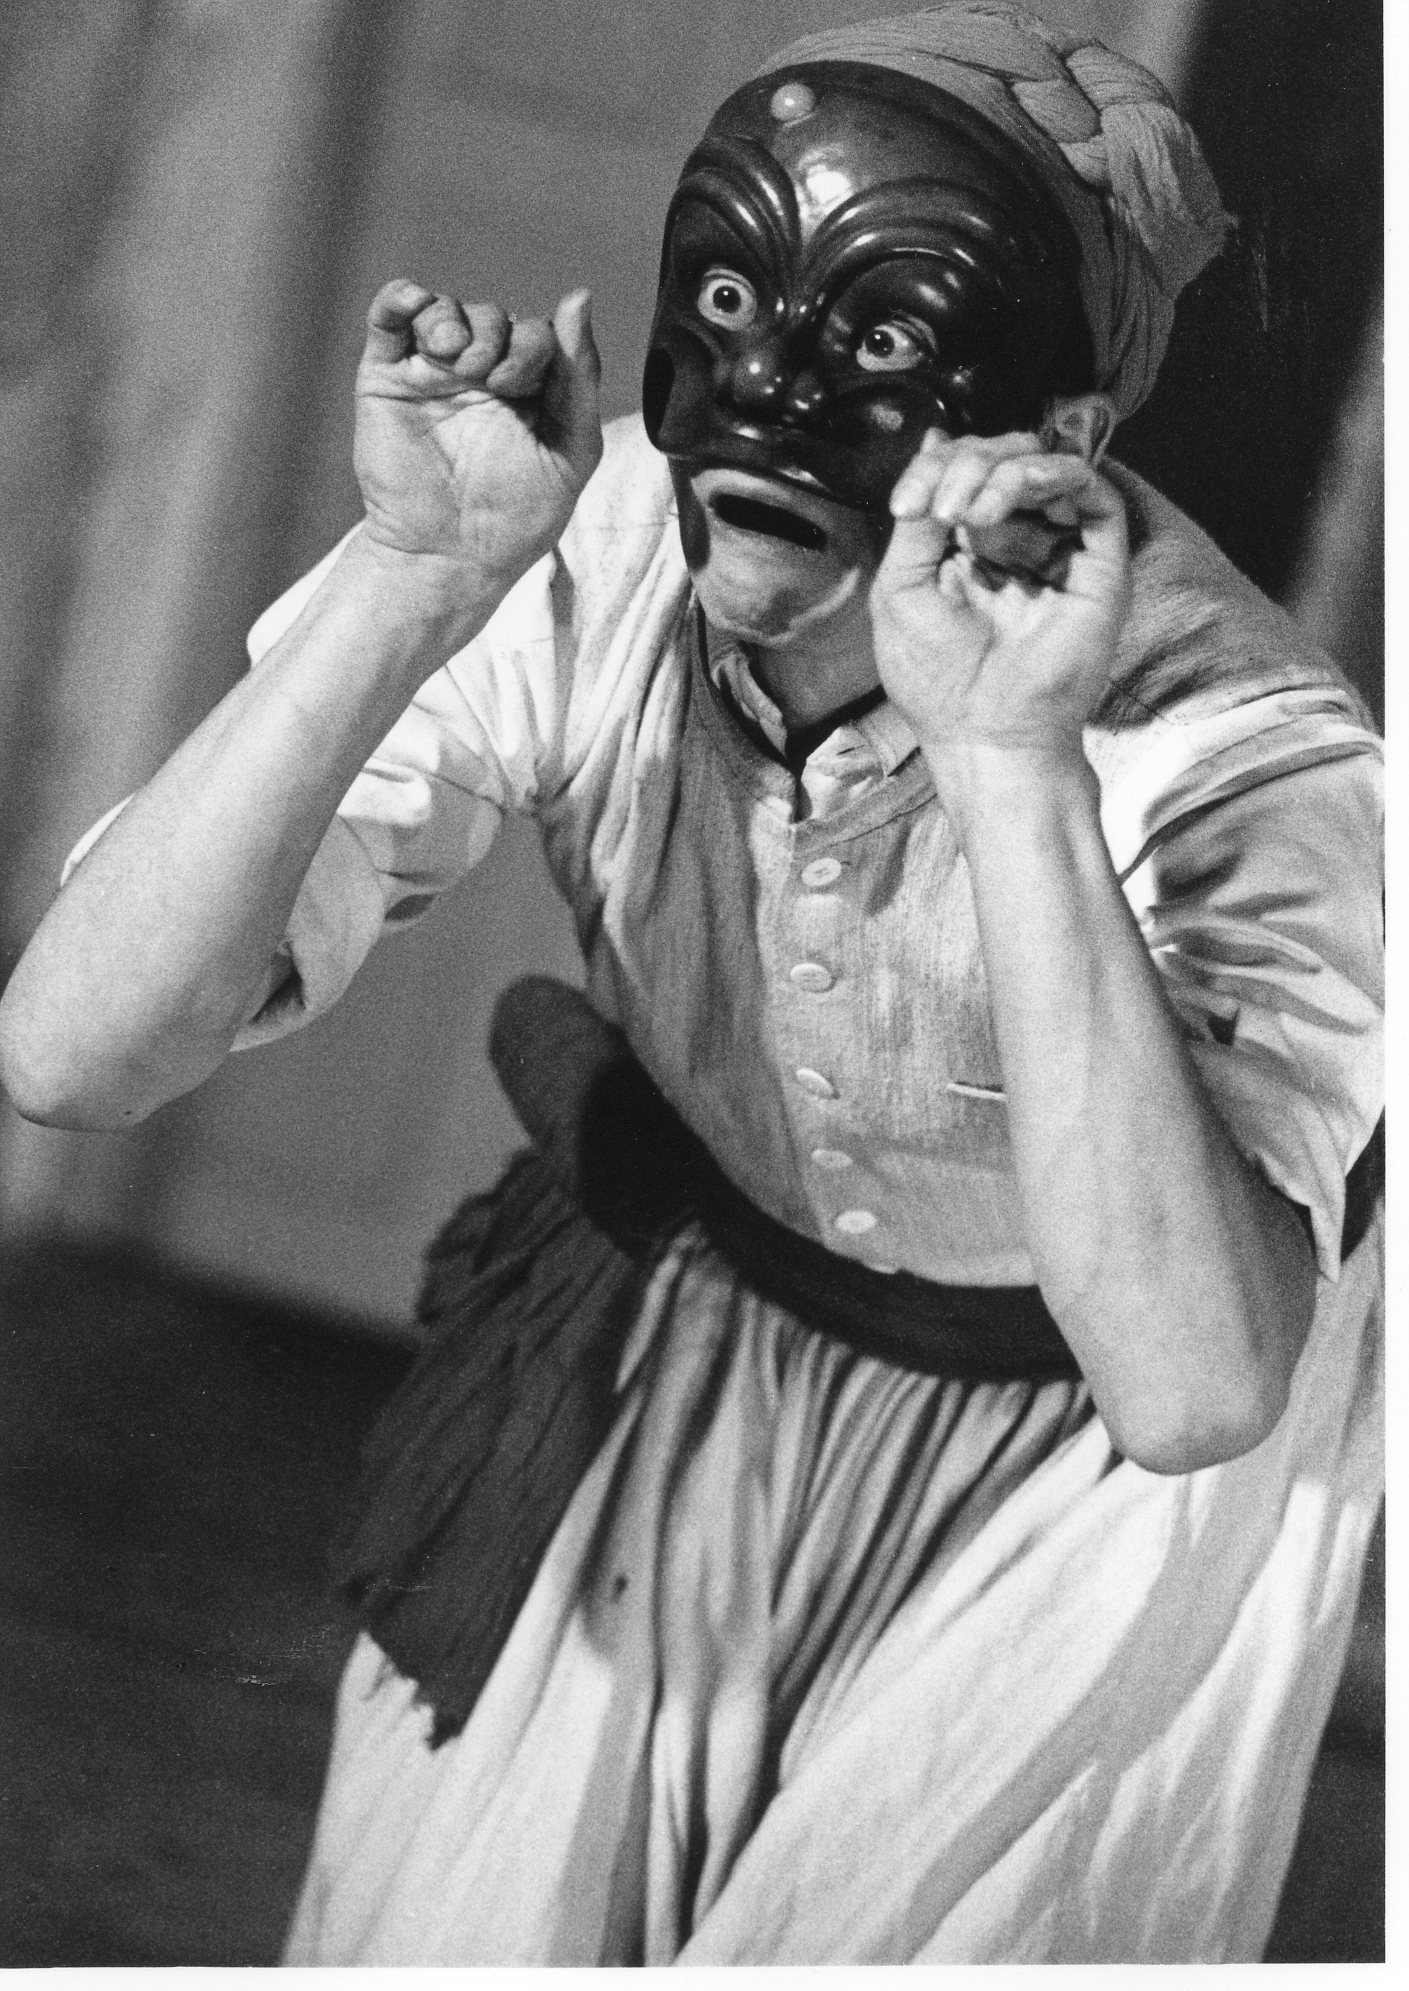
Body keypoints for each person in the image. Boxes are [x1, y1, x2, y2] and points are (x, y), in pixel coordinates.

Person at [0, 3, 1382, 1967]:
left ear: (1060, 434)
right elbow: (68, 1053)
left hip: (1076, 1510)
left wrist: (1010, 768)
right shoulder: (586, 543)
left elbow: (1193, 1386)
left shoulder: (1252, 759)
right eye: (729, 293)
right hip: (687, 1365)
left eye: (884, 340)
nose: (768, 391)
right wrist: (412, 576)